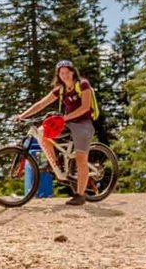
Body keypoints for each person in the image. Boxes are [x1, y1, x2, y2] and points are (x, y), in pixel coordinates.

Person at [12, 59, 96, 206]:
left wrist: (65, 118)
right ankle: (55, 163)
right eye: (61, 73)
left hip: (83, 124)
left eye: (67, 72)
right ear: (58, 75)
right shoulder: (60, 89)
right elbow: (41, 104)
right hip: (68, 123)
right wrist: (22, 115)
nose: (65, 75)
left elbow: (85, 107)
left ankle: (80, 195)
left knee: (81, 159)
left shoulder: (82, 84)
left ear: (72, 72)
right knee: (42, 132)